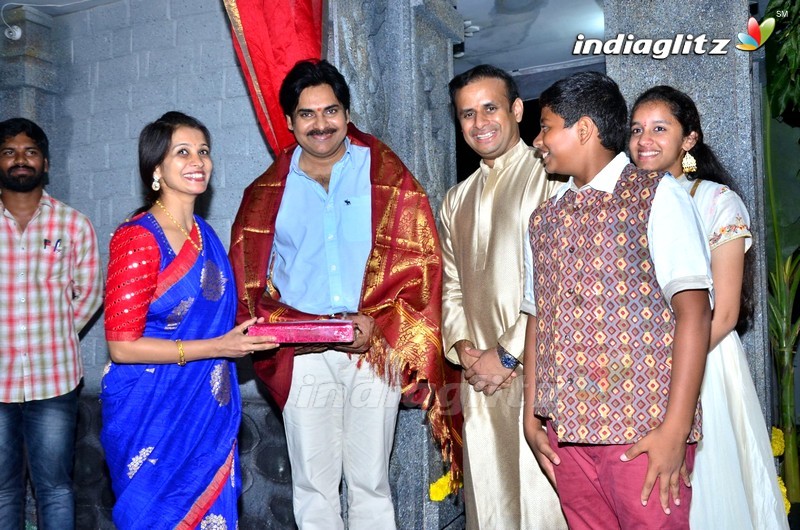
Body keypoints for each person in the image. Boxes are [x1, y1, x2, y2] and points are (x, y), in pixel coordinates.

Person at [229, 59, 455, 530]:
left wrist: (380, 323)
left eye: (330, 111)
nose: (320, 124)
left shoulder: (387, 176)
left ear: (347, 114)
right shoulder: (265, 194)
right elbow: (251, 284)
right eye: (307, 115)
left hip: (373, 348)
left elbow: (419, 262)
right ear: (289, 122)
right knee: (313, 485)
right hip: (302, 355)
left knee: (371, 481)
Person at [521, 72, 713, 530]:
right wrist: (531, 417)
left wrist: (674, 430)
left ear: (583, 130)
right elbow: (536, 319)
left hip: (643, 432)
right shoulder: (543, 218)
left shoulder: (656, 196)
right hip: (566, 435)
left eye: (546, 126)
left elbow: (695, 314)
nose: (538, 140)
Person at [100, 111, 275, 529]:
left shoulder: (204, 235)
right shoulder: (139, 237)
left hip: (204, 407)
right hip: (150, 409)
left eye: (204, 151)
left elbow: (219, 317)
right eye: (183, 152)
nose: (198, 160)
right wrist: (218, 347)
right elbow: (121, 346)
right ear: (156, 168)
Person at [629, 85, 789, 530]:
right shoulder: (624, 207)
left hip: (703, 366)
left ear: (689, 140)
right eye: (637, 129)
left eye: (660, 129)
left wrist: (665, 366)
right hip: (639, 369)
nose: (645, 139)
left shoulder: (716, 202)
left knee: (706, 494)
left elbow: (725, 314)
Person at [439, 64, 566, 529]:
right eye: (467, 114)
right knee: (489, 500)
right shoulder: (456, 198)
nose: (479, 123)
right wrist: (463, 350)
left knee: (543, 498)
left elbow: (559, 275)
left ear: (516, 109)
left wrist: (508, 355)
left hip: (539, 366)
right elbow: (449, 282)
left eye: (490, 108)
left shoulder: (549, 173)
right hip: (478, 380)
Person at [0, 117, 103, 529]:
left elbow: (90, 292)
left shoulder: (73, 224)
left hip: (53, 379)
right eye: (9, 152)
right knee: (3, 489)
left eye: (30, 152)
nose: (20, 160)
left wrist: (55, 333)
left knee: (56, 487)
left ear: (45, 163)